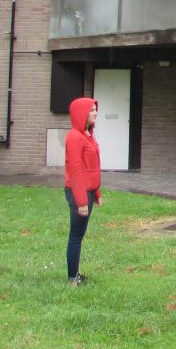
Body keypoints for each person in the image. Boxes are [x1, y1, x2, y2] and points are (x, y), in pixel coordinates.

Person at [64, 97, 101, 286]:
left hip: (87, 192)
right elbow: (76, 171)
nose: (95, 112)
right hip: (78, 193)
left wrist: (96, 193)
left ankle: (75, 274)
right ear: (81, 114)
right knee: (76, 235)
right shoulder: (74, 137)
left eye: (95, 109)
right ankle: (72, 278)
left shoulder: (88, 135)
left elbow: (91, 167)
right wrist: (81, 202)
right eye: (91, 110)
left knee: (80, 234)